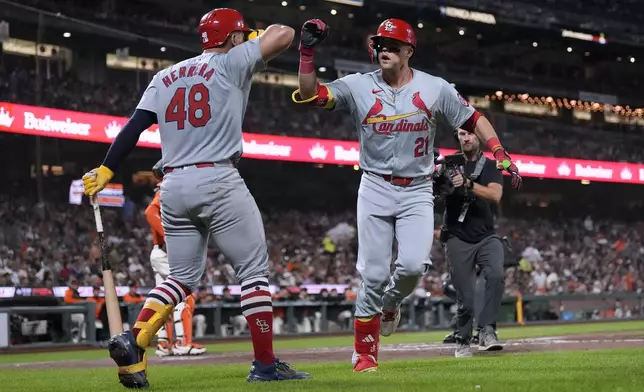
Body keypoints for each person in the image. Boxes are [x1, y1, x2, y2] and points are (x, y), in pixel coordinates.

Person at [82, 8, 310, 388]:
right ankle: (265, 365)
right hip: (218, 177)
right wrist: (251, 40)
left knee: (181, 278)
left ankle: (134, 339)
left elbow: (134, 128)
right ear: (232, 38)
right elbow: (284, 33)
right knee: (253, 273)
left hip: (172, 187)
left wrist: (107, 169)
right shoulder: (233, 59)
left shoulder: (164, 75)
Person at [291, 18, 522, 373]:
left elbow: (474, 118)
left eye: (393, 45)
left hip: (416, 189)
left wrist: (500, 151)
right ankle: (365, 353)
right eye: (380, 44)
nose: (384, 50)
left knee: (413, 266)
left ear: (409, 51)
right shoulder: (357, 85)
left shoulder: (435, 88)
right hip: (375, 185)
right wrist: (307, 52)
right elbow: (310, 94)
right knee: (372, 273)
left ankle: (390, 303)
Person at [439, 128, 515, 357]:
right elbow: (434, 193)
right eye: (462, 134)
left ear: (479, 137)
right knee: (467, 297)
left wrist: (467, 184)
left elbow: (495, 195)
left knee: (495, 275)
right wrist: (438, 183)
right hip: (457, 237)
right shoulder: (447, 164)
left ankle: (487, 330)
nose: (466, 138)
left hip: (486, 235)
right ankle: (462, 337)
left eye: (470, 134)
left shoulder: (491, 166)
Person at [145, 160, 206, 357]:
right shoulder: (168, 188)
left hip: (160, 252)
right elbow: (150, 212)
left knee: (165, 299)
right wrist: (169, 235)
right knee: (185, 293)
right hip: (166, 253)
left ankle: (164, 343)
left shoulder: (168, 188)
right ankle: (183, 342)